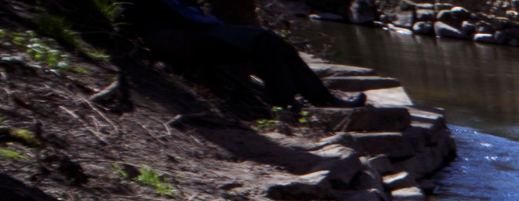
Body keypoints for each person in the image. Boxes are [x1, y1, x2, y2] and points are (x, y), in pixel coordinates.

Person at [123, 0, 364, 109]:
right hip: (178, 38)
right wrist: (213, 23)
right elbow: (182, 14)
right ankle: (296, 100)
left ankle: (304, 99)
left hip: (185, 34)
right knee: (263, 40)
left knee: (272, 44)